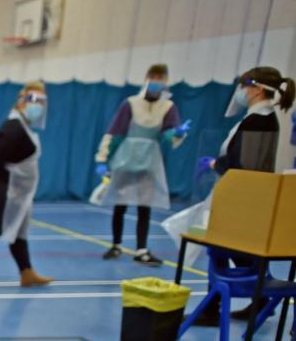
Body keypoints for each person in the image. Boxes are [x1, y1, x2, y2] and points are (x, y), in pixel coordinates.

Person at [164, 66, 295, 324]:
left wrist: (216, 164)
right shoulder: (259, 118)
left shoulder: (260, 119)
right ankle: (249, 301)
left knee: (222, 248)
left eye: (244, 85)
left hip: (241, 198)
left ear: (257, 89)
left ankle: (219, 305)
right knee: (226, 250)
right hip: (241, 196)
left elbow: (244, 163)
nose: (241, 91)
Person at [94, 63, 191, 266]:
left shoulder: (168, 107)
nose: (156, 82)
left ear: (166, 82)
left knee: (144, 206)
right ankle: (116, 244)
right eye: (153, 77)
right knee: (119, 204)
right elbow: (115, 132)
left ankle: (142, 249)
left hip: (149, 161)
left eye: (160, 78)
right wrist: (103, 159)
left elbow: (167, 136)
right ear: (147, 79)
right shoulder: (130, 103)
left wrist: (178, 133)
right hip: (125, 158)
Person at [0, 81, 54, 287]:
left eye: (42, 101)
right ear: (21, 101)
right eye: (33, 99)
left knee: (19, 229)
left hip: (19, 191)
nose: (38, 105)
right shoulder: (14, 126)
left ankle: (26, 272)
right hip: (3, 187)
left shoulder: (24, 126)